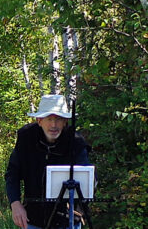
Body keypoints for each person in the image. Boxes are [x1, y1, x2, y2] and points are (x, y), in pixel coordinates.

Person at [5, 94, 90, 229]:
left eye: (58, 119)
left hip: (67, 220)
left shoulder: (76, 142)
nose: (53, 125)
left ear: (65, 122)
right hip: (34, 217)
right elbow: (12, 174)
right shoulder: (26, 139)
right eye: (49, 119)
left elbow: (88, 179)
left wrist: (78, 209)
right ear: (39, 120)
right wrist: (15, 203)